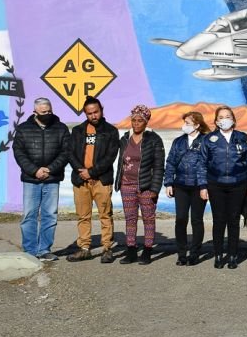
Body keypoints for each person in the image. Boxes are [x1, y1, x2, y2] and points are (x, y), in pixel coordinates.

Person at [12, 97, 70, 261]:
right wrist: (35, 170)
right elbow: (19, 153)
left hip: (52, 179)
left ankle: (44, 250)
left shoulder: (61, 128)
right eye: (44, 112)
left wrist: (50, 169)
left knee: (50, 215)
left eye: (49, 111)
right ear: (35, 112)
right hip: (31, 179)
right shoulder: (23, 129)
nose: (47, 114)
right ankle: (30, 251)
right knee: (29, 215)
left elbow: (66, 152)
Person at [198, 106, 247, 269]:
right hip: (215, 184)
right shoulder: (209, 139)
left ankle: (232, 256)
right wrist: (203, 186)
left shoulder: (243, 138)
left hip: (239, 183)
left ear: (234, 120)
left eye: (228, 116)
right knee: (219, 220)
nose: (225, 119)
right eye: (221, 117)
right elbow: (202, 164)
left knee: (234, 220)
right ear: (216, 121)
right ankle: (218, 255)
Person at [66, 96, 120, 263]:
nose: (93, 116)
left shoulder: (111, 131)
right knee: (83, 216)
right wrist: (82, 172)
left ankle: (107, 248)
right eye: (89, 113)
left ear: (101, 110)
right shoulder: (78, 131)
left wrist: (92, 172)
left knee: (105, 215)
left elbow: (110, 156)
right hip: (80, 180)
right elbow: (70, 153)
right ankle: (84, 248)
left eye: (96, 112)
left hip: (101, 180)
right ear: (85, 114)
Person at [114, 105, 165, 265]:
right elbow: (121, 163)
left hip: (146, 185)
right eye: (134, 120)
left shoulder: (154, 139)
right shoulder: (125, 139)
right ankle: (131, 250)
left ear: (146, 122)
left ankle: (147, 250)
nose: (136, 123)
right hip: (126, 185)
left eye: (140, 121)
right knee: (130, 218)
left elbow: (159, 166)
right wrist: (119, 181)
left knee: (148, 218)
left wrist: (155, 189)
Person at [164, 111, 210, 266]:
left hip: (198, 186)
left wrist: (204, 186)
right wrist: (169, 182)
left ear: (197, 125)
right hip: (181, 185)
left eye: (188, 123)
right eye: (184, 123)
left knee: (196, 220)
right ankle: (182, 253)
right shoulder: (178, 142)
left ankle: (195, 254)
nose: (184, 126)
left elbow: (208, 164)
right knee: (181, 219)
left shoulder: (206, 141)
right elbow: (170, 162)